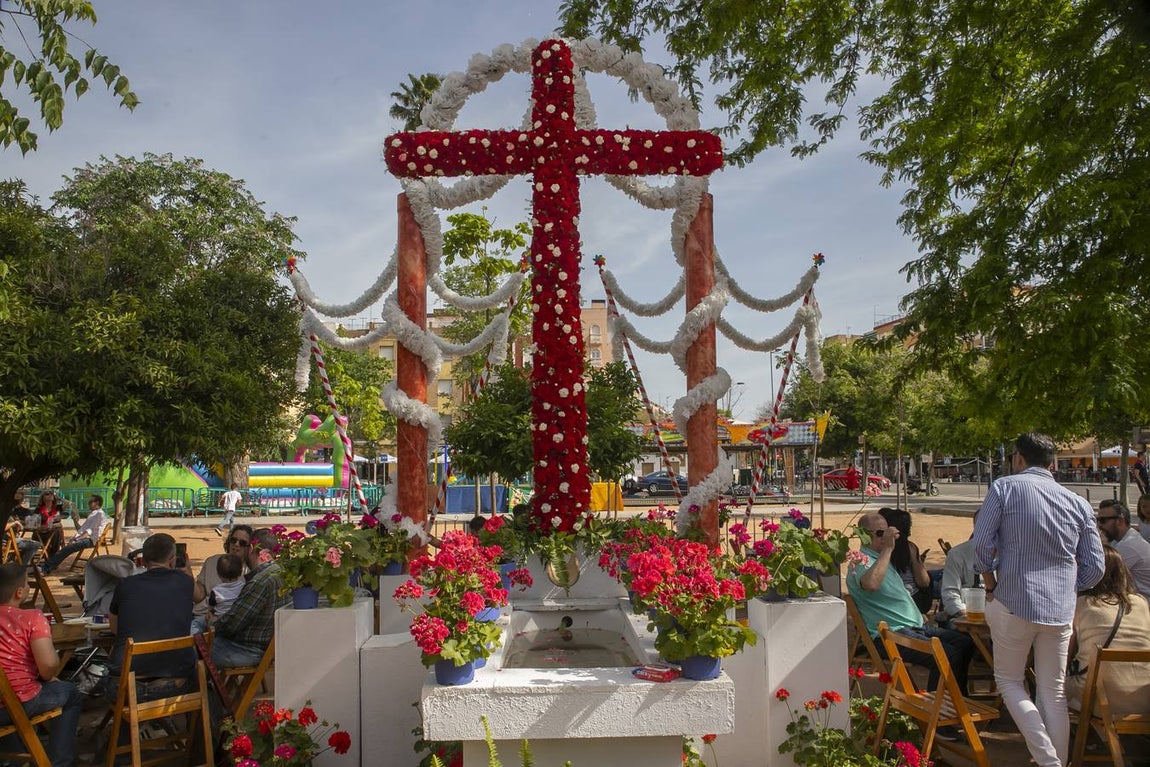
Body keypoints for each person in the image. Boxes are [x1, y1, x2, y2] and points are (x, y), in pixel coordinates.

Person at [973, 432, 1105, 767]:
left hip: (1013, 601)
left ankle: (1049, 761)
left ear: (1018, 458)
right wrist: (1066, 589)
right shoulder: (1078, 502)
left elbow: (980, 546)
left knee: (1009, 682)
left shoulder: (1005, 487)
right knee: (1053, 692)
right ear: (1053, 463)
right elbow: (1096, 568)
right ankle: (1056, 760)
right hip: (1059, 610)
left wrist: (989, 586)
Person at [847, 512, 975, 700]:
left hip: (914, 627)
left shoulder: (879, 559)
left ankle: (957, 701)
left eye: (889, 531)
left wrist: (916, 613)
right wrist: (888, 550)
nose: (887, 537)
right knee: (948, 655)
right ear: (864, 534)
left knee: (965, 643)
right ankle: (937, 710)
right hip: (891, 634)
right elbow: (871, 584)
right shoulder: (861, 561)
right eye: (881, 533)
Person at [0, 563, 82, 767]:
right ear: (20, 592)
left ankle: (15, 758)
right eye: (27, 584)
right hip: (17, 701)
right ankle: (60, 762)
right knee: (71, 694)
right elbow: (48, 665)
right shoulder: (31, 618)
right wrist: (46, 676)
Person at [107, 533, 196, 703]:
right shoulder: (185, 582)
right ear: (172, 560)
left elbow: (115, 629)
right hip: (174, 683)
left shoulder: (125, 585)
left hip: (124, 686)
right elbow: (199, 596)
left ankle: (128, 727)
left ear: (144, 560)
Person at [1065, 547, 1150, 715]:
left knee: (1050, 684)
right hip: (1144, 697)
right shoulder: (1141, 603)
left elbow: (1064, 657)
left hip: (1098, 697)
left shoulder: (1082, 605)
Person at [212, 528, 286, 668]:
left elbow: (231, 625)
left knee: (191, 647)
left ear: (251, 548)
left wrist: (211, 625)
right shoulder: (279, 571)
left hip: (247, 650)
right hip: (265, 649)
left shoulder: (260, 581)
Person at [191, 525, 252, 634]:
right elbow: (199, 596)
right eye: (233, 540)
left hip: (230, 622)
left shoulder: (250, 571)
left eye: (242, 543)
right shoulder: (212, 562)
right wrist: (187, 572)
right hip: (202, 616)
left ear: (250, 548)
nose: (236, 545)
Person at [878, 507, 934, 613]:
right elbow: (923, 582)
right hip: (911, 600)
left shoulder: (879, 547)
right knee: (934, 578)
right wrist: (918, 562)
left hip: (888, 600)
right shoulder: (909, 548)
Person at [39, 495, 109, 574]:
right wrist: (75, 521)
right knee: (65, 547)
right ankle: (48, 565)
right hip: (86, 538)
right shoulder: (93, 514)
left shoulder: (99, 514)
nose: (88, 504)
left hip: (91, 540)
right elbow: (81, 530)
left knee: (68, 548)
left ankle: (45, 568)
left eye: (90, 502)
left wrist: (77, 539)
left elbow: (90, 531)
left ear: (97, 503)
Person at [937, 512, 984, 628]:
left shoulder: (1009, 556)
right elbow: (950, 594)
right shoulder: (958, 554)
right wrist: (964, 614)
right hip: (965, 618)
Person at [1096, 499, 1150, 598]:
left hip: (1144, 606)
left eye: (1103, 520)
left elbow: (1099, 578)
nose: (1099, 525)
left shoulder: (1128, 545)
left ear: (1120, 521)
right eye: (1097, 520)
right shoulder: (1120, 539)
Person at [208, 554, 245, 623]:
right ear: (240, 573)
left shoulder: (216, 591)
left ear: (218, 574)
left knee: (197, 622)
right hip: (237, 621)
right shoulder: (244, 587)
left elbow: (211, 607)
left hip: (219, 621)